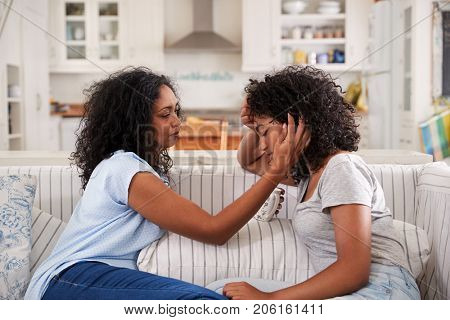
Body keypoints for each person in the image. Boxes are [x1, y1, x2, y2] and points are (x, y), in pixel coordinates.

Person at [24, 67, 306, 300]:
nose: (177, 122)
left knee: (216, 300)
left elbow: (249, 161)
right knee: (207, 303)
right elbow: (214, 229)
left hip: (91, 280)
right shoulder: (125, 169)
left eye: (176, 111)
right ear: (134, 121)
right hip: (70, 280)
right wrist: (275, 172)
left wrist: (255, 129)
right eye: (164, 114)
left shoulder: (143, 169)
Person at [218, 65, 421, 300]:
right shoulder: (310, 174)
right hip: (354, 292)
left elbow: (354, 271)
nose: (262, 145)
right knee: (220, 290)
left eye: (264, 132)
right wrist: (255, 126)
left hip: (383, 290)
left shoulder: (342, 168)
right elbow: (248, 160)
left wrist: (269, 299)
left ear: (293, 122)